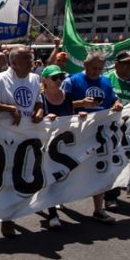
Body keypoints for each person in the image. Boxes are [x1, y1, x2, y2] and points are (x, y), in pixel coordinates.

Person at [0, 45, 43, 237]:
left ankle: (12, 214)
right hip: (4, 137)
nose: (31, 60)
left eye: (31, 57)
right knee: (4, 177)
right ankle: (6, 219)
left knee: (21, 175)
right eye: (27, 58)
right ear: (15, 62)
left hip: (26, 137)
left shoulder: (34, 79)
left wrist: (40, 111)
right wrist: (10, 109)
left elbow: (38, 102)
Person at [61, 51, 123, 223]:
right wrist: (81, 104)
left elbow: (113, 100)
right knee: (70, 169)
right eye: (94, 68)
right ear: (85, 64)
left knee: (99, 168)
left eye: (100, 68)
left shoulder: (105, 81)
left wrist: (117, 104)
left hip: (100, 132)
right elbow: (59, 105)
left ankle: (98, 209)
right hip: (76, 133)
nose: (97, 72)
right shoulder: (71, 80)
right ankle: (58, 200)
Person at [39, 64, 87, 229]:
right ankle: (52, 213)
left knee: (62, 176)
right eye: (54, 78)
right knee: (49, 177)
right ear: (45, 80)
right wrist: (45, 118)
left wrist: (79, 116)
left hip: (64, 144)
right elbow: (34, 119)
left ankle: (52, 202)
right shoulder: (40, 97)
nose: (59, 80)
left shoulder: (67, 96)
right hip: (46, 144)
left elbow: (71, 115)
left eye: (60, 77)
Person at [104, 51, 130, 208]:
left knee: (120, 161)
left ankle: (111, 195)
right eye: (126, 63)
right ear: (117, 64)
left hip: (128, 129)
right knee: (106, 162)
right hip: (108, 128)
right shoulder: (107, 79)